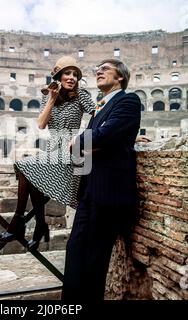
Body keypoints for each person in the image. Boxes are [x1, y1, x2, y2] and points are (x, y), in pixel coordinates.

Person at [62, 59, 141, 301]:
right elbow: (82, 149)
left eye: (105, 68)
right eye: (97, 69)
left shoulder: (128, 100)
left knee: (94, 259)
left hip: (109, 193)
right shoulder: (99, 107)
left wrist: (89, 142)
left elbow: (104, 135)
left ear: (120, 77)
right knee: (75, 252)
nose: (98, 71)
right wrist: (92, 143)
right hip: (89, 191)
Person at [0, 56, 95, 249]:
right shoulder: (47, 96)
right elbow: (41, 124)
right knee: (34, 183)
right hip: (52, 148)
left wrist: (128, 136)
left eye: (75, 75)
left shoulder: (81, 95)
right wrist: (51, 98)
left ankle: (19, 222)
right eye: (67, 73)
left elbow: (100, 117)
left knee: (25, 167)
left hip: (73, 148)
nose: (72, 78)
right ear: (58, 76)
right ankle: (40, 225)